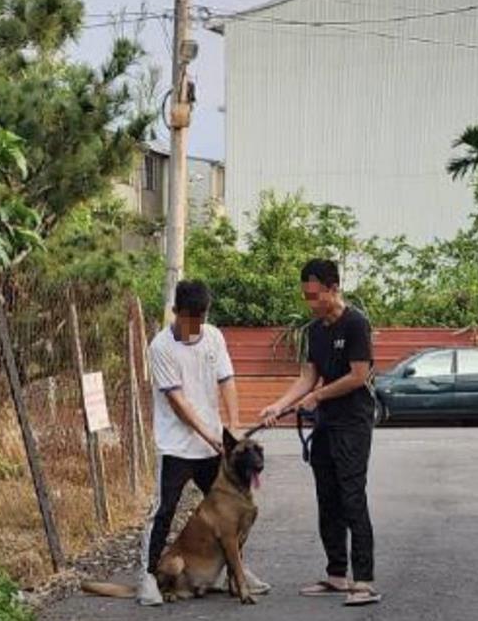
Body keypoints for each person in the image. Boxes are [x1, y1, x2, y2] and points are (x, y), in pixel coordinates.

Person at [137, 279, 270, 606]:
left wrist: (234, 424)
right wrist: (209, 435)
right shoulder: (161, 347)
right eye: (190, 317)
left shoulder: (213, 337)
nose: (196, 324)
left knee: (234, 512)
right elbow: (178, 403)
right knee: (164, 511)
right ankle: (149, 577)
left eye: (201, 316)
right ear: (176, 312)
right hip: (176, 447)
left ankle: (233, 573)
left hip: (212, 447)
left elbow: (227, 381)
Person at [260, 259, 381, 607]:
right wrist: (278, 406)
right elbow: (307, 377)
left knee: (352, 496)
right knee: (327, 497)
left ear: (333, 288)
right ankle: (336, 576)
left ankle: (364, 580)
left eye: (315, 295)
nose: (311, 302)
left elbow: (359, 375)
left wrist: (317, 397)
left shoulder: (356, 323)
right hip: (326, 423)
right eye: (305, 296)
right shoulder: (314, 331)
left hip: (353, 422)